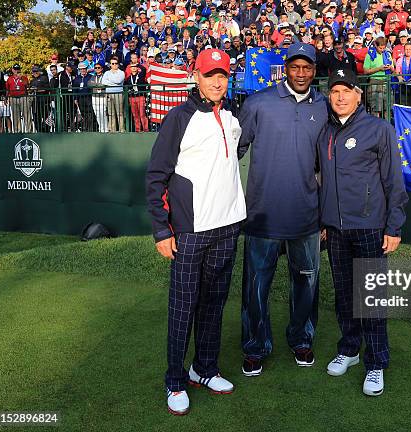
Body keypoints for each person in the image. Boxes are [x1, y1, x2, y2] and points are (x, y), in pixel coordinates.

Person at [146, 48, 245, 416]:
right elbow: (156, 175)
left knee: (213, 306)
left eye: (222, 74)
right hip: (189, 233)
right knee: (183, 308)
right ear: (196, 77)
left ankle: (204, 369)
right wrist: (161, 230)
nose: (217, 81)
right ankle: (175, 381)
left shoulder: (233, 117)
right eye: (210, 75)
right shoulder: (178, 118)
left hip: (227, 227)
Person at [237, 42, 328, 377]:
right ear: (286, 67)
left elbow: (327, 165)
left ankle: (302, 339)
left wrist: (326, 217)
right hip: (262, 215)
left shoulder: (323, 106)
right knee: (256, 288)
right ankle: (255, 347)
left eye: (307, 67)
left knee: (306, 284)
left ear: (314, 70)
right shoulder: (258, 103)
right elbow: (234, 151)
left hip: (307, 216)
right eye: (295, 66)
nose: (301, 73)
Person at [317, 67, 408, 397]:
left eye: (347, 90)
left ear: (359, 95)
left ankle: (376, 362)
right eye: (334, 91)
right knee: (344, 295)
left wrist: (393, 226)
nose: (340, 96)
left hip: (370, 227)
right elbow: (320, 181)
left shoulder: (379, 129)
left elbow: (394, 181)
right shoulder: (325, 132)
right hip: (336, 230)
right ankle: (350, 349)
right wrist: (323, 221)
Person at [363, 36, 394, 117]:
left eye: (384, 48)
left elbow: (393, 69)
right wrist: (379, 69)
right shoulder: (370, 55)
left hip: (386, 82)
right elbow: (365, 71)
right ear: (376, 46)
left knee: (387, 107)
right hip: (374, 82)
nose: (382, 50)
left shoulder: (387, 55)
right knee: (376, 108)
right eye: (380, 48)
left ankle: (387, 127)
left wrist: (390, 68)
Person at [102, 56, 126, 133]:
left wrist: (110, 81)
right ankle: (112, 130)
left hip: (118, 93)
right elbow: (103, 82)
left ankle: (121, 129)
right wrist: (113, 82)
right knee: (111, 113)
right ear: (110, 64)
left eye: (116, 63)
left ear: (118, 64)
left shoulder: (121, 72)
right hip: (109, 94)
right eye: (113, 63)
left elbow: (118, 81)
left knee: (120, 113)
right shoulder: (106, 73)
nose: (114, 65)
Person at [5, 64, 32, 133]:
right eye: (15, 69)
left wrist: (21, 79)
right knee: (15, 116)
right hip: (13, 98)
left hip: (23, 98)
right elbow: (7, 90)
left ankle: (29, 131)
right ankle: (17, 132)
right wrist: (6, 98)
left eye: (18, 69)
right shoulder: (9, 79)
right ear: (12, 70)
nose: (16, 71)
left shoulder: (24, 78)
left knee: (27, 115)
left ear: (20, 70)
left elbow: (27, 86)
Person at [125, 63, 149, 132]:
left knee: (142, 114)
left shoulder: (140, 75)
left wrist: (137, 64)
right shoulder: (129, 78)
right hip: (132, 98)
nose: (134, 68)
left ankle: (145, 129)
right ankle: (137, 129)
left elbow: (144, 69)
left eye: (135, 67)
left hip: (140, 96)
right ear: (130, 69)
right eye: (132, 67)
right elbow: (127, 87)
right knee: (135, 115)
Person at [73, 62, 97, 132]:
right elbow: (75, 89)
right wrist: (75, 99)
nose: (83, 70)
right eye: (81, 69)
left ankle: (91, 128)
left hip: (89, 97)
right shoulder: (77, 79)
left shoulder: (91, 77)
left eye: (84, 69)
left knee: (90, 113)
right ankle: (85, 128)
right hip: (80, 98)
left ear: (86, 69)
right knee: (83, 113)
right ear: (79, 70)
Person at [29, 66, 51, 133]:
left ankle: (47, 131)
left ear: (39, 71)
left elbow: (47, 89)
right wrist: (30, 90)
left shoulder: (44, 78)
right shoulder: (32, 80)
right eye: (33, 72)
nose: (35, 73)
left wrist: (37, 90)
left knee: (46, 117)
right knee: (36, 118)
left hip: (44, 101)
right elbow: (30, 90)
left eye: (36, 71)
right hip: (35, 102)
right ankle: (39, 131)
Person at [89, 62, 108, 133]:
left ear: (102, 68)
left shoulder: (104, 76)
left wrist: (96, 85)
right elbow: (89, 84)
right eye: (95, 68)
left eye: (98, 67)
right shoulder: (93, 76)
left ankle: (105, 129)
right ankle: (101, 128)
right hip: (94, 96)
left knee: (103, 113)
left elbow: (105, 84)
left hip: (102, 96)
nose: (97, 69)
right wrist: (98, 85)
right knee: (97, 113)